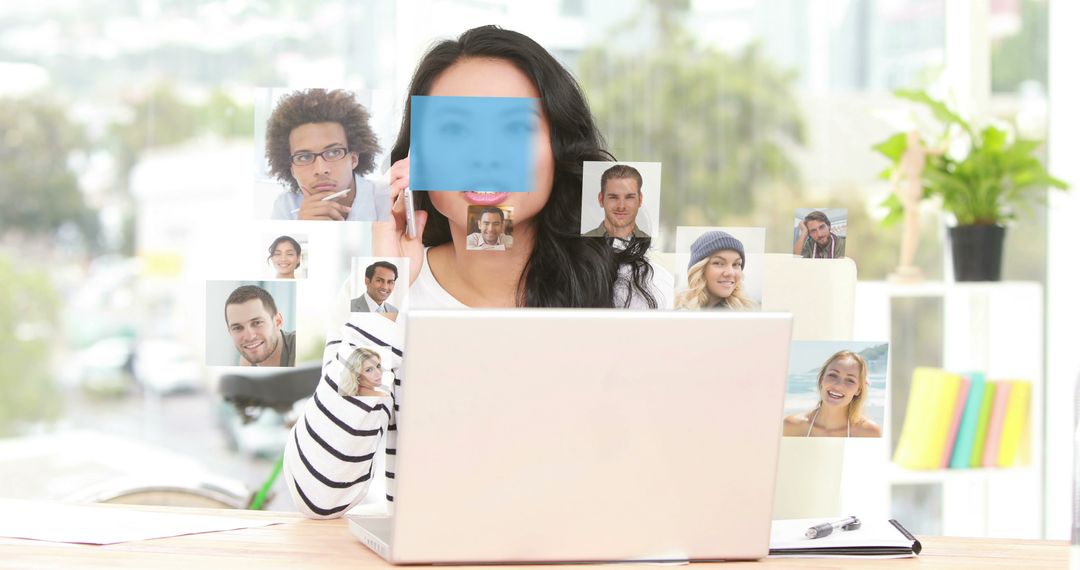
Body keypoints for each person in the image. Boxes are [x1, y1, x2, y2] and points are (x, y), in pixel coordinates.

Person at [284, 25, 673, 519]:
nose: (485, 158)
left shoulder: (633, 288)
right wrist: (386, 297)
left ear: (558, 150)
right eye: (453, 130)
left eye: (514, 129)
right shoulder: (380, 298)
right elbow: (320, 495)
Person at [265, 88, 391, 221]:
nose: (321, 170)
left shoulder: (387, 200)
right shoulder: (285, 206)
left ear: (353, 159)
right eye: (304, 157)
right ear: (293, 170)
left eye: (333, 152)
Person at [782, 350, 881, 438]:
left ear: (858, 390)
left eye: (850, 380)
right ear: (822, 379)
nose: (838, 386)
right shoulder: (791, 425)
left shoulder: (869, 432)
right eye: (833, 375)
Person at [674, 230, 758, 310]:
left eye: (736, 264)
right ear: (700, 269)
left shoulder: (744, 316)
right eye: (718, 263)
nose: (730, 273)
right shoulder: (676, 310)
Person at [224, 285, 295, 367]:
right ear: (230, 332)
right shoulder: (246, 361)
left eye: (257, 323)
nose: (249, 337)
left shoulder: (297, 348)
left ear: (277, 322)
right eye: (238, 328)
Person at [582, 164, 649, 240]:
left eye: (629, 197)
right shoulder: (582, 241)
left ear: (640, 200)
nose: (621, 207)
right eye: (613, 197)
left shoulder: (652, 243)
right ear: (601, 199)